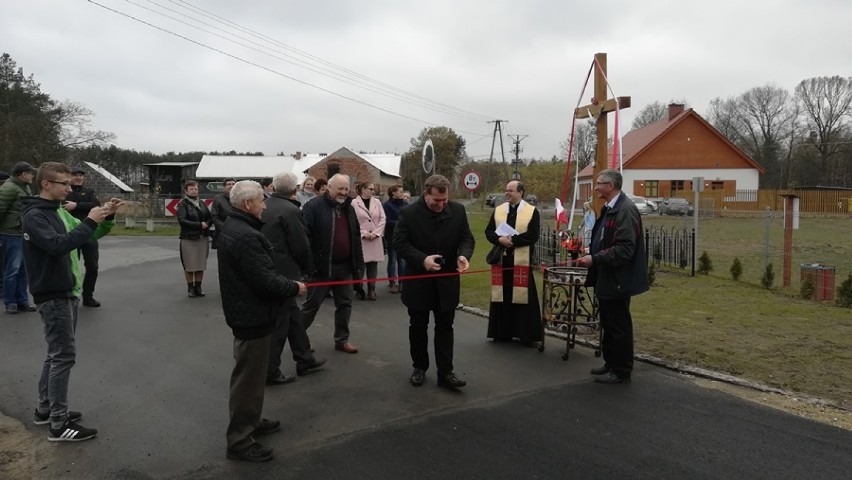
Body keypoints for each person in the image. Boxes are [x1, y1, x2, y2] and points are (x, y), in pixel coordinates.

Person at [21, 162, 118, 442]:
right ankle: (58, 424)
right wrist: (90, 220)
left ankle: (46, 409)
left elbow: (90, 236)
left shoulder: (58, 212)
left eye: (70, 183)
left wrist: (106, 217)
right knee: (63, 356)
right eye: (64, 183)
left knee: (55, 354)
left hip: (67, 289)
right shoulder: (36, 216)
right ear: (45, 184)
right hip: (53, 292)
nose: (70, 187)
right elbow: (57, 246)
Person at [217, 180, 306, 462]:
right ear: (247, 205)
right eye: (261, 201)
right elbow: (264, 281)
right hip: (252, 316)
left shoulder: (237, 228)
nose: (265, 206)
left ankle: (251, 423)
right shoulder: (245, 235)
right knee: (248, 381)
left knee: (253, 379)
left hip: (249, 313)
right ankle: (240, 441)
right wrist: (294, 287)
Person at [394, 174, 474, 389]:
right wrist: (422, 259)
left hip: (447, 281)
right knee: (418, 326)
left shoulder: (457, 211)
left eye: (444, 200)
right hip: (419, 281)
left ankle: (446, 372)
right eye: (436, 201)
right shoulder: (409, 213)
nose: (441, 205)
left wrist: (463, 255)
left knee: (445, 327)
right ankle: (419, 367)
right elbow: (399, 243)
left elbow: (467, 238)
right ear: (425, 194)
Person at [576, 169, 649, 384]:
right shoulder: (610, 208)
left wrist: (595, 258)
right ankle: (610, 362)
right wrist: (592, 251)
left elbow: (625, 249)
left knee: (619, 326)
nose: (595, 187)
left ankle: (621, 369)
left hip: (618, 279)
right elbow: (605, 238)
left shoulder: (625, 210)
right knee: (608, 323)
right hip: (606, 277)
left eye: (599, 183)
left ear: (610, 186)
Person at [261, 172, 326, 385]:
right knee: (280, 324)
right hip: (285, 274)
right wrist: (309, 270)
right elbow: (300, 245)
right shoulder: (291, 210)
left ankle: (305, 358)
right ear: (294, 190)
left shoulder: (265, 206)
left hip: (271, 270)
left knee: (293, 317)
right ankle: (270, 371)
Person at [300, 173, 364, 354]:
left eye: (346, 189)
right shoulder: (313, 207)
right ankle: (298, 338)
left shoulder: (349, 208)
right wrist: (310, 265)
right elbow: (305, 238)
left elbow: (356, 237)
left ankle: (342, 340)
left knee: (345, 304)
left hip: (345, 267)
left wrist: (358, 264)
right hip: (320, 268)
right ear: (329, 188)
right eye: (340, 189)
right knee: (311, 306)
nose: (343, 192)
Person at [485, 180, 542, 345]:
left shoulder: (531, 211)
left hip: (521, 260)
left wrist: (513, 241)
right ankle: (501, 333)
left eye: (510, 190)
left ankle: (526, 334)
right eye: (506, 190)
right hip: (502, 261)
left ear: (520, 192)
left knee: (523, 297)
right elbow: (488, 231)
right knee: (501, 296)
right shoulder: (499, 210)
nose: (507, 193)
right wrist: (499, 239)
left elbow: (533, 235)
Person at [0, 161, 38, 314]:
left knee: (24, 270)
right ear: (23, 174)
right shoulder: (9, 188)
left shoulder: (24, 187)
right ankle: (10, 302)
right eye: (31, 173)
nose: (33, 176)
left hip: (23, 233)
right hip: (10, 234)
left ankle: (22, 300)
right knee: (12, 270)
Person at [63, 166, 104, 307]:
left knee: (92, 267)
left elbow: (96, 205)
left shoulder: (89, 192)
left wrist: (76, 205)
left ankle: (88, 296)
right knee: (70, 267)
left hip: (89, 235)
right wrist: (83, 206)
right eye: (75, 175)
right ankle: (69, 296)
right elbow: (62, 205)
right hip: (71, 234)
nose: (78, 178)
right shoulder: (66, 192)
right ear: (70, 177)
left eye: (81, 175)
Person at [176, 180, 212, 298]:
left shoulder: (202, 203)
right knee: (189, 265)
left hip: (202, 238)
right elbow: (182, 220)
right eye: (191, 189)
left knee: (200, 264)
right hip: (189, 238)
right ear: (186, 191)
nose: (194, 191)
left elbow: (209, 216)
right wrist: (199, 225)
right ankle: (190, 288)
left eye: (196, 189)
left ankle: (198, 287)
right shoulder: (183, 204)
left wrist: (207, 224)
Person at [352, 181, 386, 301]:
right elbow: (353, 221)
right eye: (370, 189)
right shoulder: (354, 203)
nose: (373, 191)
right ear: (363, 189)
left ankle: (372, 289)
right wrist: (364, 233)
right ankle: (359, 288)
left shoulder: (377, 202)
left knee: (373, 264)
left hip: (375, 238)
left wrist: (376, 233)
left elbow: (383, 218)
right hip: (361, 238)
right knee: (360, 265)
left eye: (373, 189)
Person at [383, 184, 407, 294]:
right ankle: (392, 283)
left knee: (402, 261)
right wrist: (400, 223)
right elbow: (387, 221)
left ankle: (402, 282)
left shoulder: (405, 205)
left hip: (403, 237)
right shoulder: (387, 205)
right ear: (394, 193)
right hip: (392, 236)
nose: (402, 194)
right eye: (400, 192)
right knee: (392, 260)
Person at [210, 178, 235, 249]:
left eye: (233, 184)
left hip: (237, 233)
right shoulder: (218, 199)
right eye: (228, 184)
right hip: (222, 234)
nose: (231, 186)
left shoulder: (239, 198)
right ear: (224, 186)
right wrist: (225, 227)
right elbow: (214, 216)